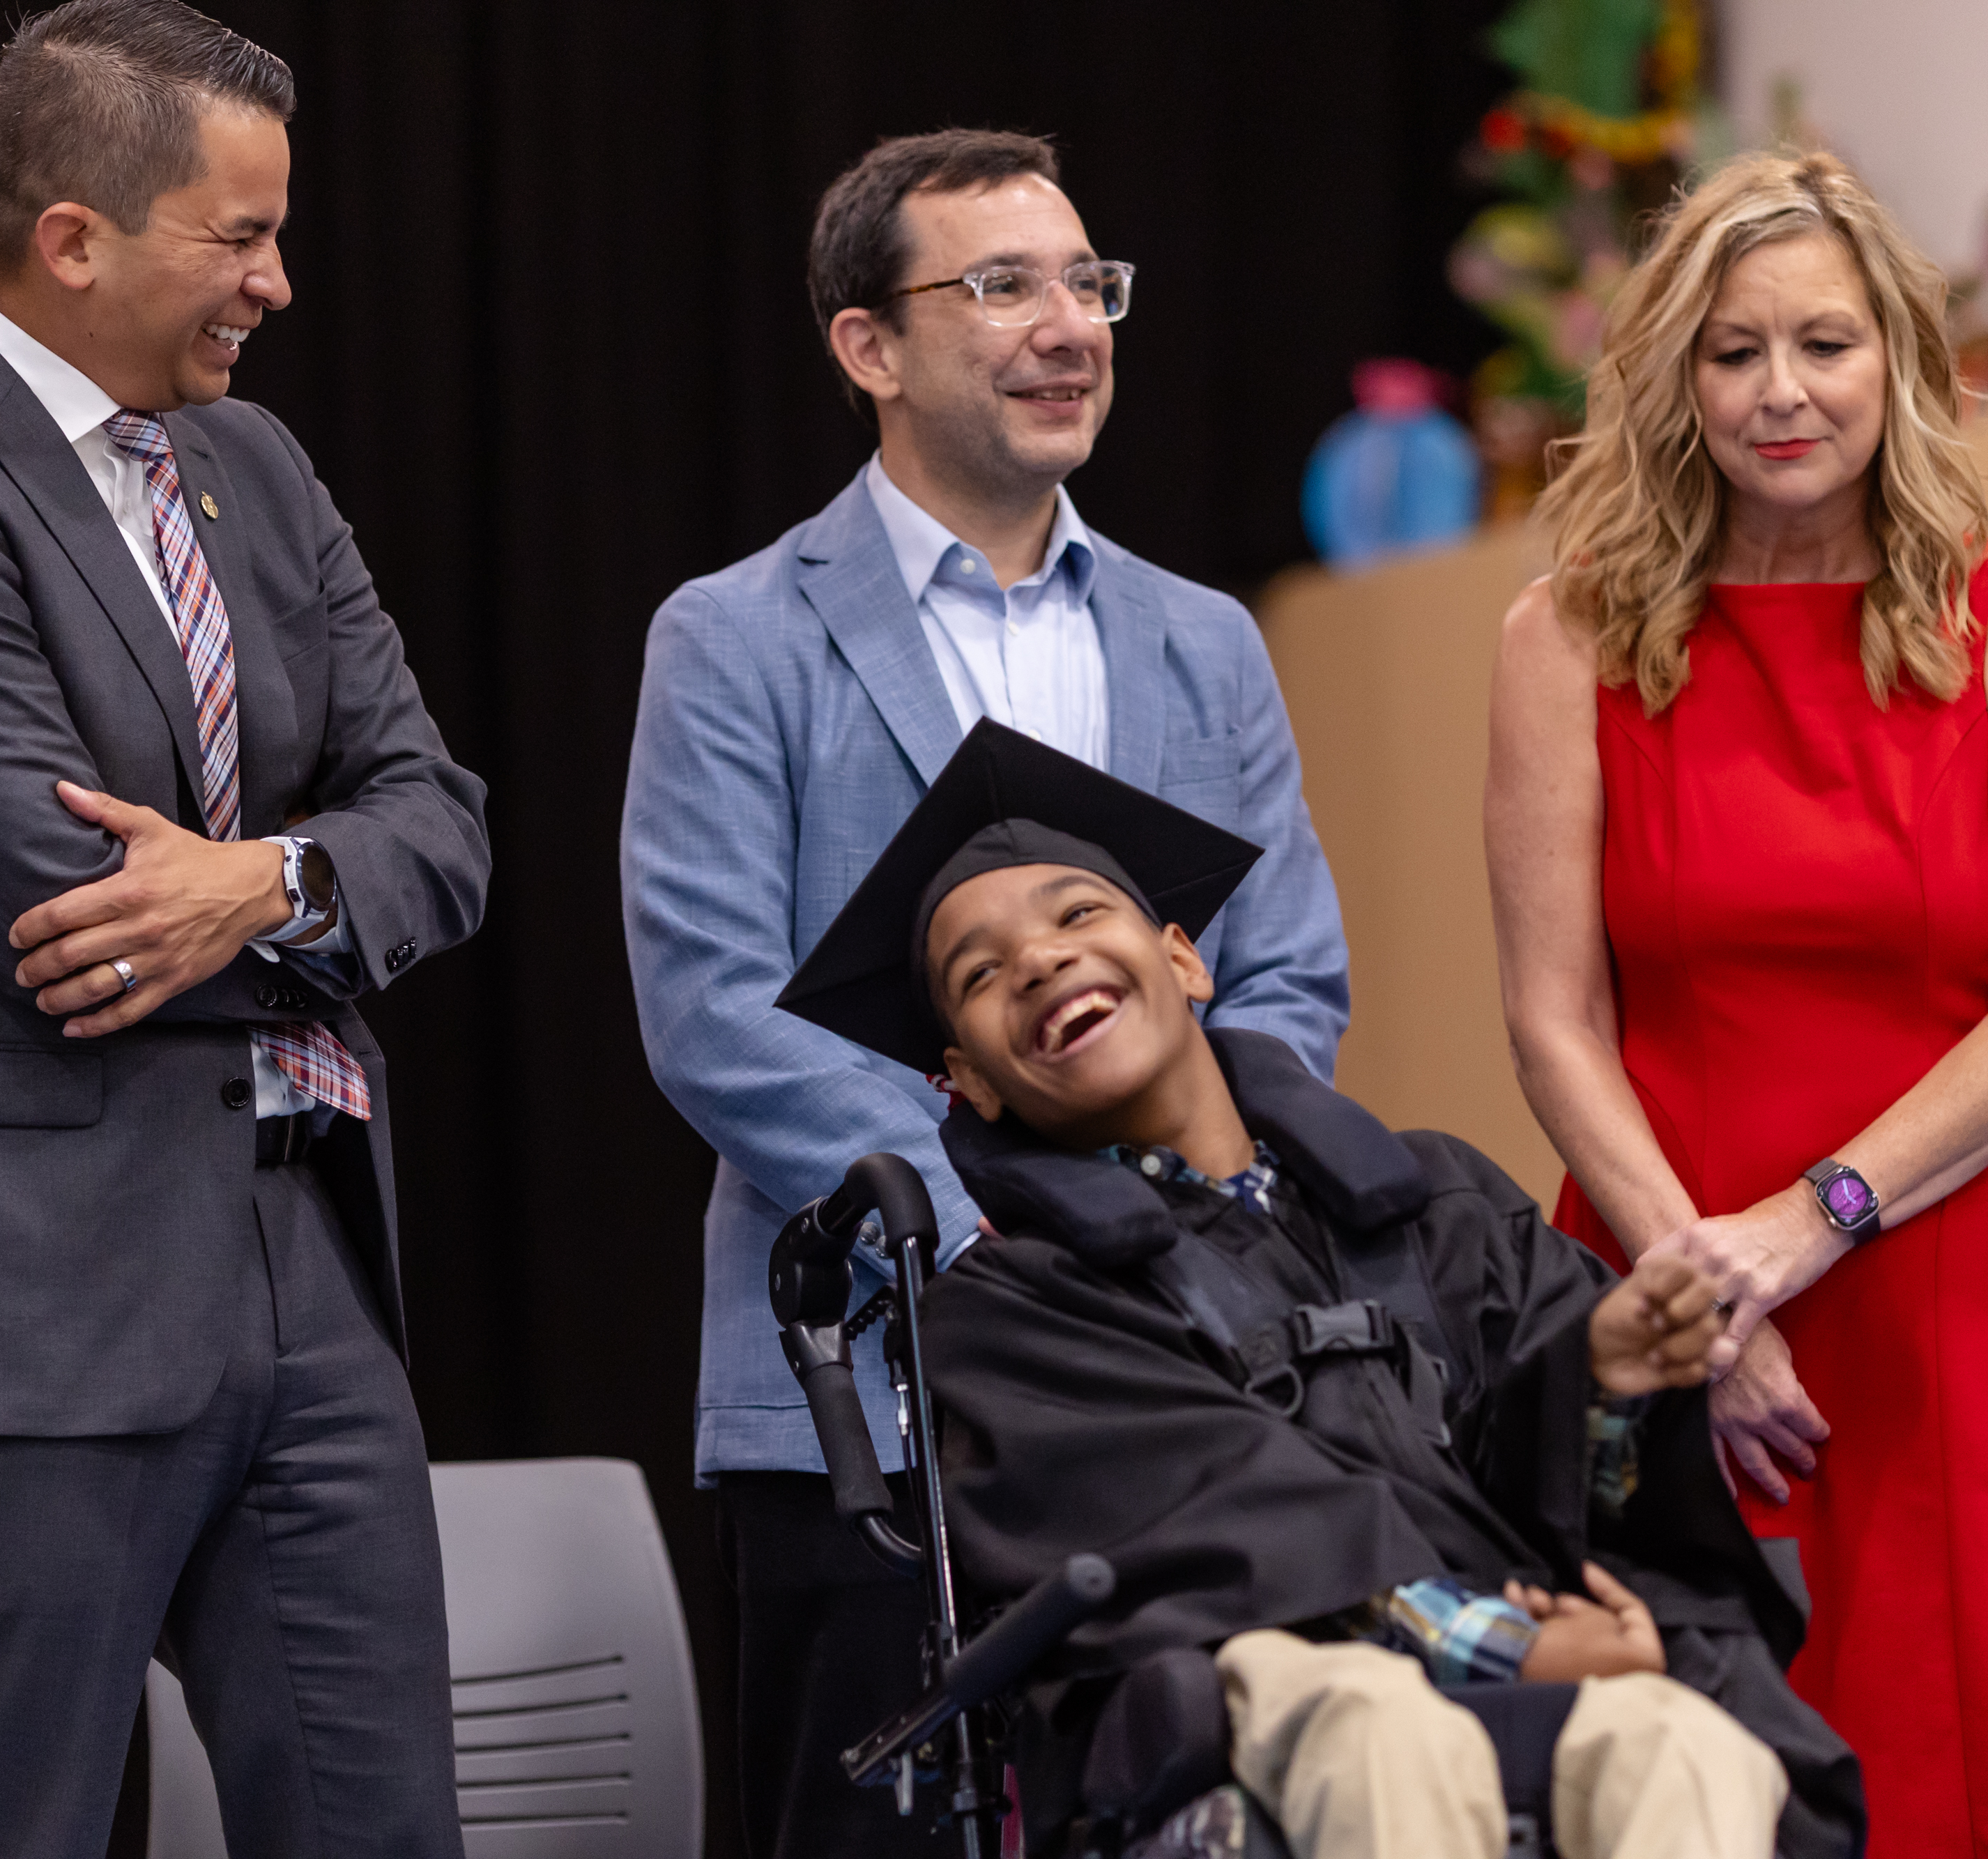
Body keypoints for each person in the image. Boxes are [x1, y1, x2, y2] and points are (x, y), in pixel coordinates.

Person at [0, 4, 487, 1853]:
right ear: (74, 234)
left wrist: (263, 876)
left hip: (310, 1263)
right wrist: (320, 868)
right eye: (238, 235)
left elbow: (446, 828)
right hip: (31, 1296)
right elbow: (70, 912)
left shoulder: (265, 470)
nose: (279, 283)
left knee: (379, 1827)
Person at [620, 130, 1349, 1855]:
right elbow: (715, 1004)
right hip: (864, 1403)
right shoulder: (734, 636)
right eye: (1000, 285)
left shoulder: (1202, 638)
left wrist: (1172, 1212)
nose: (1067, 324)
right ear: (867, 346)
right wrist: (1001, 1221)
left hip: (1187, 1376)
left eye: (1086, 284)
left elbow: (1288, 977)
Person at [1484, 149, 1988, 1855]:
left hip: (1971, 1297)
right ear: (1674, 379)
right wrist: (1698, 1291)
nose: (1778, 392)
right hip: (1666, 1303)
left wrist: (1797, 1231)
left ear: (1895, 355)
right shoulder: (1563, 637)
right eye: (1731, 352)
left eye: (1822, 344)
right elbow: (1549, 1019)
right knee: (1707, 1780)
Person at [774, 721, 1863, 1859]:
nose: (1040, 961)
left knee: (1674, 1739)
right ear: (969, 1086)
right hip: (1255, 1705)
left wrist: (1609, 1390)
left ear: (1186, 959)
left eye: (1078, 914)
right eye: (981, 975)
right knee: (1381, 1724)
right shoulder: (1013, 1314)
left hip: (1534, 1657)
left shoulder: (1436, 1199)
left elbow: (1579, 1507)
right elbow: (1208, 1541)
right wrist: (1507, 1649)